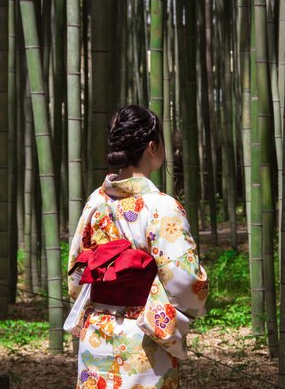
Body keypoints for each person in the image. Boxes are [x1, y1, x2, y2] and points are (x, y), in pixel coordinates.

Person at [67, 104, 208, 389]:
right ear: (152, 146)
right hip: (143, 337)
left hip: (96, 331)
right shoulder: (161, 207)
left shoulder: (96, 201)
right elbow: (184, 279)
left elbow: (76, 274)